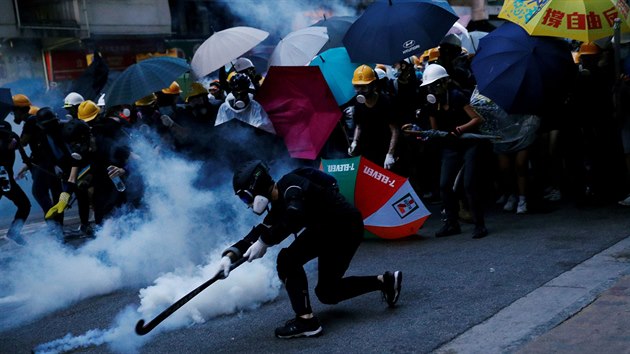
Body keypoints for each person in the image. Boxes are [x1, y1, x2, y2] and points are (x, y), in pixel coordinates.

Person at [218, 160, 402, 338]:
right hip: (328, 230)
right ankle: (385, 281)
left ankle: (306, 322)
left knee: (287, 260)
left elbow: (294, 215)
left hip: (344, 229)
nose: (247, 204)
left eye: (245, 197)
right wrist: (229, 256)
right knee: (327, 292)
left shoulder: (291, 185)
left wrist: (265, 241)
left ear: (256, 187)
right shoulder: (279, 201)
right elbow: (258, 232)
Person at [421, 64, 488, 239]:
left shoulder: (457, 96)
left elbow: (477, 119)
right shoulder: (431, 104)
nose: (433, 89)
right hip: (451, 146)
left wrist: (460, 129)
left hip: (469, 143)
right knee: (444, 185)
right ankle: (451, 223)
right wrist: (424, 134)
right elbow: (435, 131)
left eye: (436, 85)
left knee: (469, 185)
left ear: (444, 83)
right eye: (430, 86)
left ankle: (480, 225)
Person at [347, 65, 400, 170]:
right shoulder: (358, 104)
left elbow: (395, 130)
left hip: (384, 149)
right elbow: (359, 125)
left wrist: (390, 154)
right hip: (367, 150)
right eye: (357, 87)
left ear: (374, 86)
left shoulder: (386, 102)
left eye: (364, 87)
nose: (360, 91)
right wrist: (355, 142)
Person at [0, 120, 31, 245]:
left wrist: (27, 163)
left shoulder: (12, 138)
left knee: (24, 205)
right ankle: (13, 232)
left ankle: (14, 232)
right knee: (24, 205)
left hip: (7, 180)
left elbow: (23, 153)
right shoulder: (10, 139)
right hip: (4, 180)